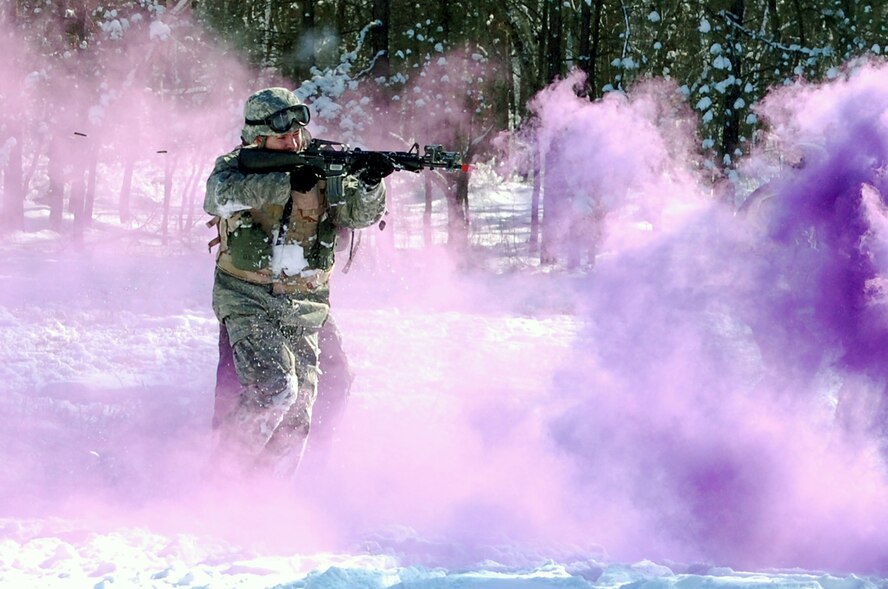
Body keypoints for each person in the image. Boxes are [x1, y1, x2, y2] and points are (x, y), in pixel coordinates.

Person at [204, 87, 392, 476]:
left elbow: (358, 214)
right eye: (282, 135)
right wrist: (286, 183)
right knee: (273, 389)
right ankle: (218, 480)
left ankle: (266, 495)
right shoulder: (234, 166)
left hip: (305, 304)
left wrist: (371, 184)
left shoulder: (322, 167)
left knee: (299, 409)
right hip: (246, 296)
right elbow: (218, 197)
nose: (294, 140)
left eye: (297, 133)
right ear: (257, 138)